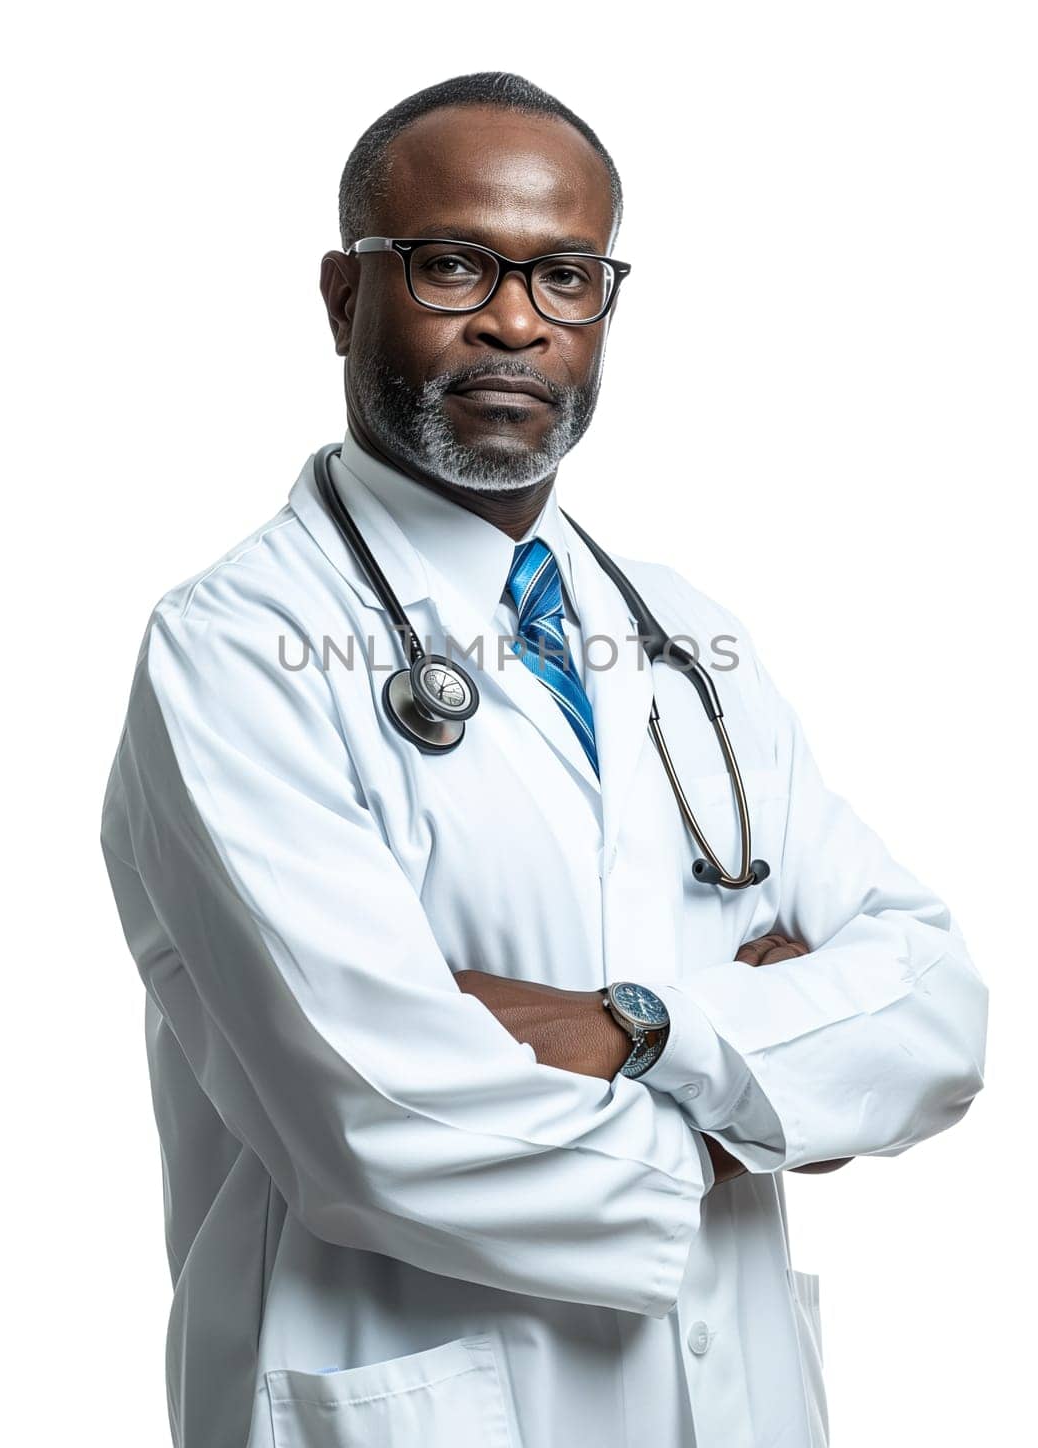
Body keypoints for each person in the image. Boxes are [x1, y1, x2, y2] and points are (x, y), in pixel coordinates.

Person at [101, 71, 988, 1448]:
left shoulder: (685, 633)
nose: (516, 319)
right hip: (416, 1401)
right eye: (454, 264)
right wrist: (763, 1097)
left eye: (566, 276)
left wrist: (642, 1029)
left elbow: (934, 1014)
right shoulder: (232, 650)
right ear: (345, 297)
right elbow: (380, 1123)